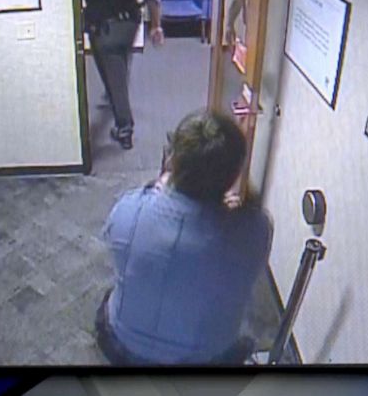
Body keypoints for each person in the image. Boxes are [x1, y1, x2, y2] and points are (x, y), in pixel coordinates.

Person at [96, 110, 274, 364]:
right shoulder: (255, 230)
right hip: (205, 360)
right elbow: (252, 216)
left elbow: (119, 237)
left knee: (109, 297)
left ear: (172, 161)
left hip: (124, 349)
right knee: (243, 336)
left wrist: (159, 186)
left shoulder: (129, 210)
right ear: (234, 176)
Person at [81, 0, 164, 150]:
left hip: (103, 30)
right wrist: (155, 26)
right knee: (119, 61)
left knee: (111, 69)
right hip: (128, 28)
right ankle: (112, 94)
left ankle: (124, 127)